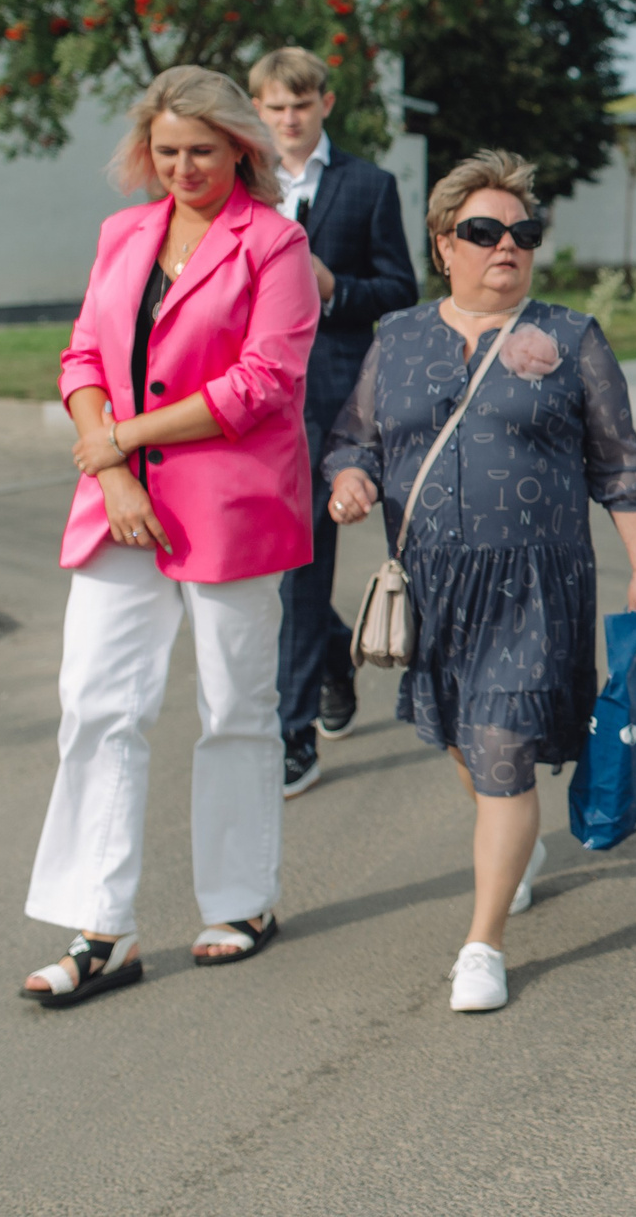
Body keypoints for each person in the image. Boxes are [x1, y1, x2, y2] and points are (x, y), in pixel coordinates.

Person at [325, 150, 636, 1014]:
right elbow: (350, 438)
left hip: (533, 586)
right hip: (430, 588)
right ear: (445, 243)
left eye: (522, 232)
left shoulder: (572, 339)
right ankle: (513, 845)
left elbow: (620, 467)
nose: (505, 245)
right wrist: (348, 479)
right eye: (483, 231)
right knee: (466, 741)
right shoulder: (397, 339)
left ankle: (482, 943)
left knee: (504, 744)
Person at [20, 66, 319, 1008]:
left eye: (201, 149)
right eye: (165, 151)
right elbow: (81, 356)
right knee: (96, 703)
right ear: (144, 152)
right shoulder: (122, 234)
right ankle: (100, 926)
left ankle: (242, 900)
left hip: (230, 505)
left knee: (234, 704)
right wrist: (109, 470)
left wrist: (129, 438)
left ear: (242, 146)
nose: (182, 167)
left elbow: (263, 381)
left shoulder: (276, 244)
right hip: (118, 503)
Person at [248, 46, 418, 797]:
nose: (289, 117)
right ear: (257, 109)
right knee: (279, 569)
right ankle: (331, 659)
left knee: (305, 562)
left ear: (326, 103)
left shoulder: (367, 185)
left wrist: (333, 285)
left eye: (302, 103)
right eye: (276, 106)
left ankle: (295, 735)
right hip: (253, 401)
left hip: (333, 400)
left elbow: (398, 287)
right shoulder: (241, 184)